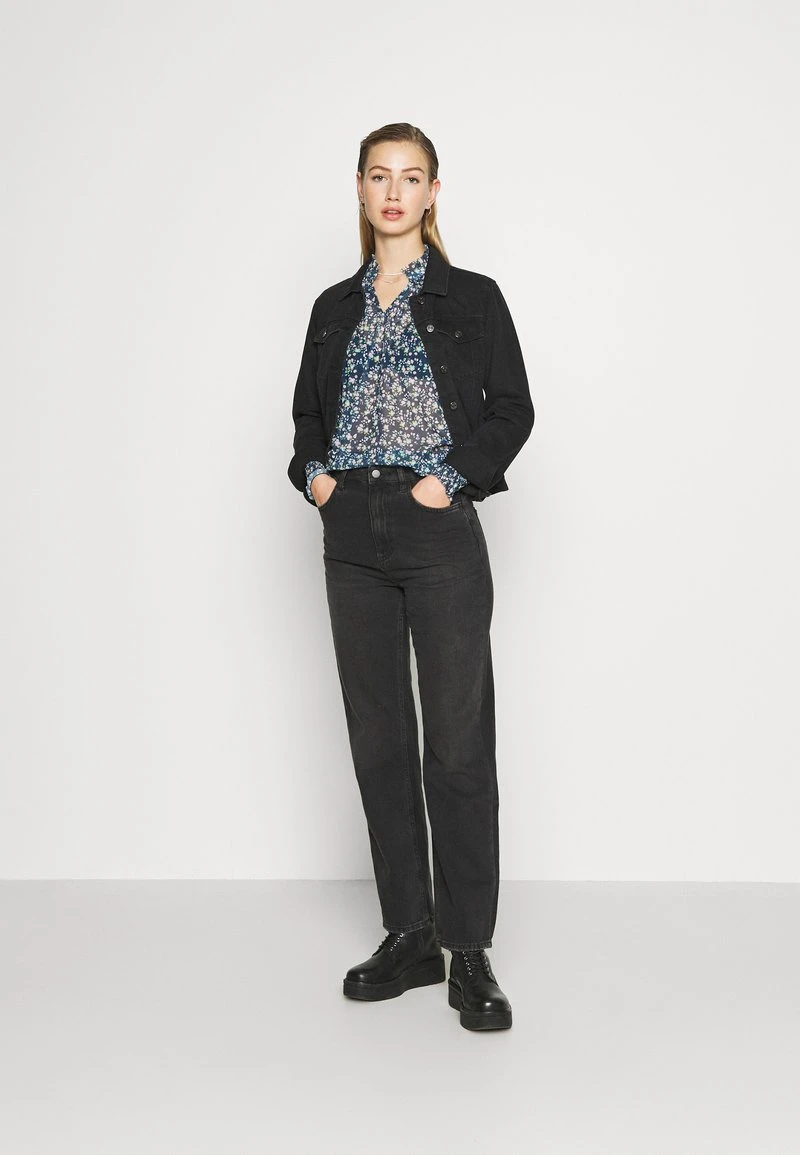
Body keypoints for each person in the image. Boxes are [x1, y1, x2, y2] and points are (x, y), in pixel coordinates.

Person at [287, 122, 534, 1031]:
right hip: (351, 529)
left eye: (412, 176)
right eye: (379, 175)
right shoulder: (331, 307)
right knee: (379, 738)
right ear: (359, 188)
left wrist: (450, 479)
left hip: (437, 529)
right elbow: (307, 417)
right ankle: (410, 932)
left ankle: (469, 947)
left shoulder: (473, 297)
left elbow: (513, 409)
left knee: (457, 743)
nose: (395, 191)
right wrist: (315, 477)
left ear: (433, 192)